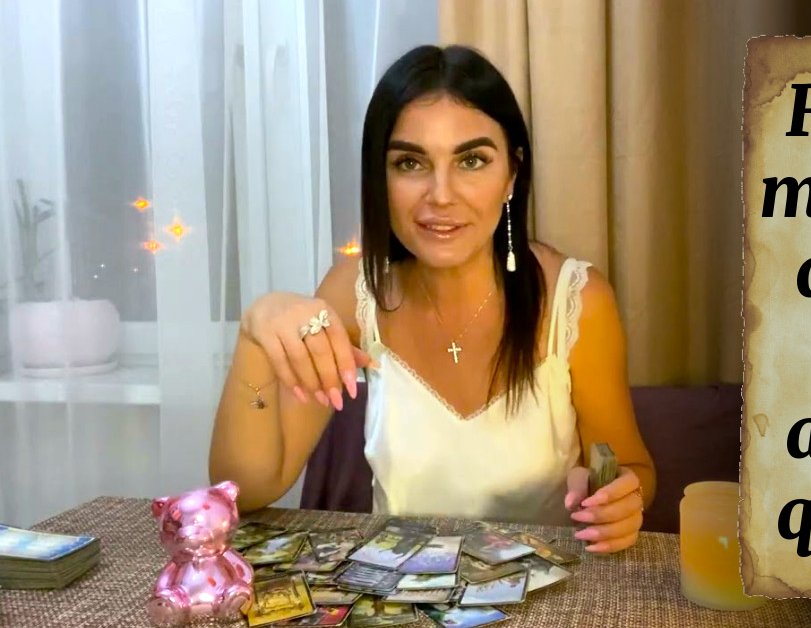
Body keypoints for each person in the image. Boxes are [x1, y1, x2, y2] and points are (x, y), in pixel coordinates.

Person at [208, 45, 656, 554]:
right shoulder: (353, 295)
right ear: (381, 178)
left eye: (472, 160)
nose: (441, 195)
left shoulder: (576, 299)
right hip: (396, 590)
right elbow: (245, 491)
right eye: (410, 163)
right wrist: (254, 333)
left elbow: (631, 467)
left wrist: (621, 499)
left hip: (551, 590)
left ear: (511, 174)